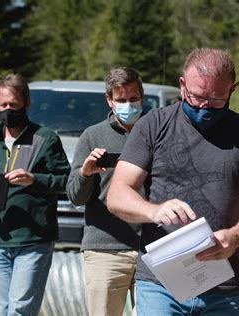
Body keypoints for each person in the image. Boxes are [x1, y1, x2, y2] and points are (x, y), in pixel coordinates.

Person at [106, 48, 239, 315]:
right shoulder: (153, 124)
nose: (204, 106)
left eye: (217, 99)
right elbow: (117, 195)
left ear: (233, 90)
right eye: (196, 97)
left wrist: (235, 236)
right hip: (160, 286)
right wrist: (154, 210)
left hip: (224, 288)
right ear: (182, 84)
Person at [0, 73, 71, 316]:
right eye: (2, 105)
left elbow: (66, 180)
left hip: (33, 240)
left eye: (13, 105)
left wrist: (33, 179)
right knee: (4, 309)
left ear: (26, 104)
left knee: (20, 310)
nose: (7, 110)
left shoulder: (44, 138)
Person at [66, 67, 144, 316]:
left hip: (152, 249)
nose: (128, 105)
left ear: (142, 97)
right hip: (105, 250)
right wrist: (86, 173)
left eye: (133, 99)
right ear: (109, 100)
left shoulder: (157, 132)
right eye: (121, 100)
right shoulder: (92, 136)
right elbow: (75, 197)